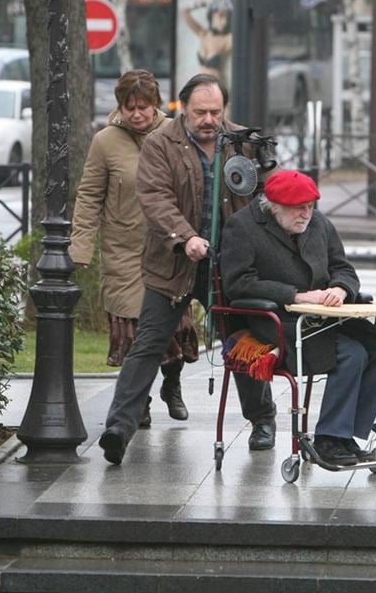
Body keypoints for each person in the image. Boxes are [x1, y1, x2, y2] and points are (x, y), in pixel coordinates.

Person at [98, 73, 277, 465]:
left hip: (231, 265)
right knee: (147, 344)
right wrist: (185, 236)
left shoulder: (241, 140)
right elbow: (154, 196)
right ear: (183, 108)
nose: (209, 120)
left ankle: (263, 419)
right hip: (174, 262)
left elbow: (267, 189)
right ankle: (118, 429)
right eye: (200, 112)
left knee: (242, 344)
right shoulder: (162, 142)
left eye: (216, 112)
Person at [220, 170, 376, 466]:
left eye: (310, 205)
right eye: (299, 207)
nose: (306, 213)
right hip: (278, 322)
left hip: (327, 318)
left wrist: (341, 289)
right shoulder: (242, 226)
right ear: (274, 205)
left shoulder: (318, 222)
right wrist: (295, 295)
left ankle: (344, 435)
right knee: (352, 354)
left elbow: (344, 268)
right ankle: (330, 439)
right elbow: (238, 283)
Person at [70, 70, 193, 427]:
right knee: (133, 330)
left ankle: (172, 383)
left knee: (174, 327)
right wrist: (81, 246)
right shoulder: (105, 141)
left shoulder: (176, 133)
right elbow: (90, 195)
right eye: (129, 107)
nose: (136, 114)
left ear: (156, 105)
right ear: (120, 106)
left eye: (144, 107)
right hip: (124, 250)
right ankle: (139, 403)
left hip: (170, 248)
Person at [182, 0, 232, 80]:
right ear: (212, 15)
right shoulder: (203, 34)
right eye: (221, 16)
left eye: (227, 18)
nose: (224, 22)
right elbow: (184, 11)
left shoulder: (226, 39)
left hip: (216, 86)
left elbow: (242, 28)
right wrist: (203, 3)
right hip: (200, 85)